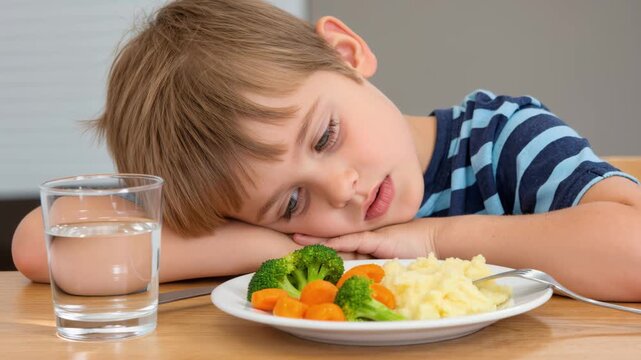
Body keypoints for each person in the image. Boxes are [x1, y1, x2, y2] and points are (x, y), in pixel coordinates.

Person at [12, 0, 641, 301]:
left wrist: (432, 241)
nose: (339, 189)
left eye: (325, 136)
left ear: (347, 55)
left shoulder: (502, 139)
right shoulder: (300, 234)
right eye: (291, 199)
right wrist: (273, 244)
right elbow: (41, 243)